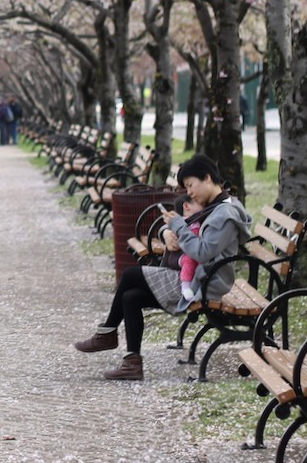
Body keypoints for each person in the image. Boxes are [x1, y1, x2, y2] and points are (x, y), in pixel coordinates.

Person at [72, 154, 251, 380]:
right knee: (131, 297)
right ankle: (132, 363)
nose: (189, 192)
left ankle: (107, 332)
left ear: (207, 178)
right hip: (192, 274)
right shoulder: (212, 206)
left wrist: (175, 225)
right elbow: (185, 228)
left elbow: (203, 251)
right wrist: (166, 232)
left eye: (190, 185)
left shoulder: (225, 214)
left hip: (204, 282)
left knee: (130, 274)